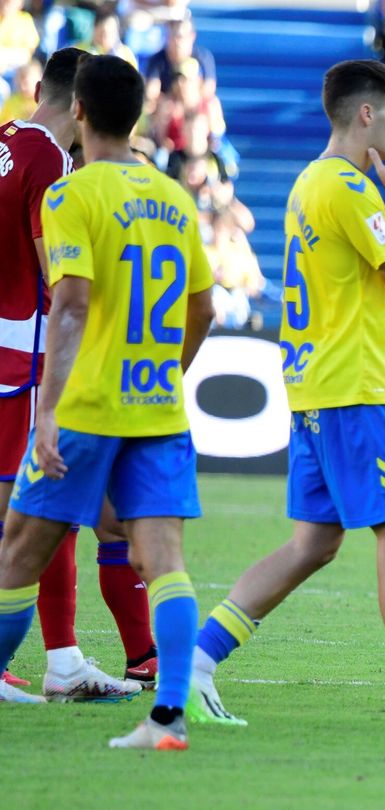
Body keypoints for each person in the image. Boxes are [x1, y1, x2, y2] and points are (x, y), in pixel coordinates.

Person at [185, 60, 385, 736]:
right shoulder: (351, 188)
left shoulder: (314, 184)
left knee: (314, 544)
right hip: (357, 392)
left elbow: (372, 292)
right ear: (368, 116)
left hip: (317, 388)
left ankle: (194, 664)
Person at [0, 55, 214, 749]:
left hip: (89, 402)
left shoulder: (73, 194)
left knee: (17, 554)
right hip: (157, 406)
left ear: (80, 114)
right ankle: (167, 716)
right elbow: (203, 309)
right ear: (139, 118)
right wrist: (168, 371)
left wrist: (50, 407)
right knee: (164, 561)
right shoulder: (175, 197)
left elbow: (68, 305)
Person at [0, 47, 157, 702]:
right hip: (31, 355)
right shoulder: (55, 167)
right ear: (85, 104)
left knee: (53, 505)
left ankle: (63, 657)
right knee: (33, 511)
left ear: (42, 88)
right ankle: (39, 660)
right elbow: (59, 276)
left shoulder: (7, 142)